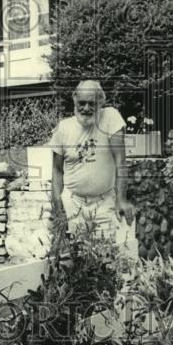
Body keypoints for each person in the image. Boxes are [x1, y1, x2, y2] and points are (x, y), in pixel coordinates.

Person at [49, 79, 137, 253]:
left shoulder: (111, 117)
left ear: (101, 102)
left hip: (104, 202)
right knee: (78, 257)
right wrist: (58, 209)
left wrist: (121, 199)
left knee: (107, 255)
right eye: (82, 103)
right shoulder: (63, 129)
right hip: (74, 203)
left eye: (92, 103)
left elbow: (121, 160)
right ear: (74, 100)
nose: (87, 108)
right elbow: (56, 171)